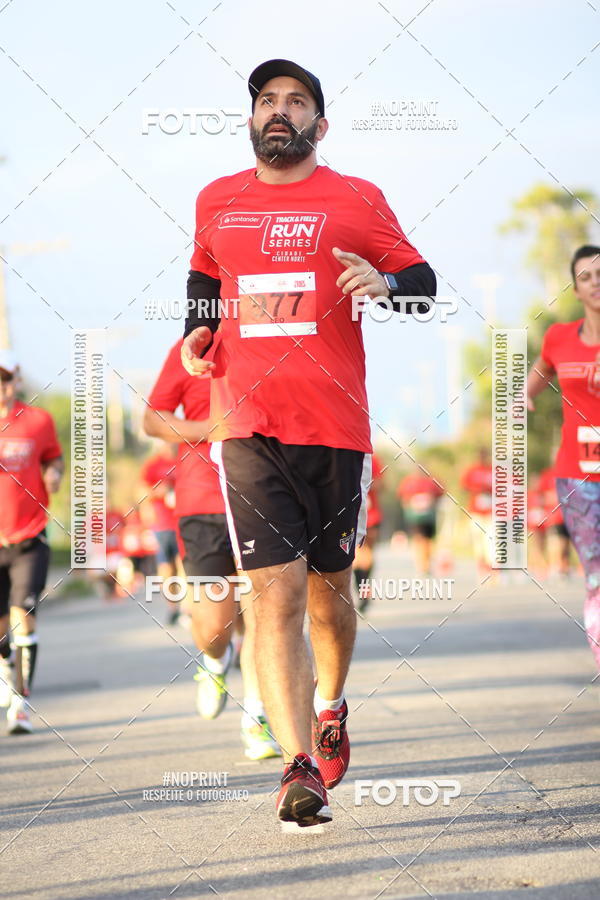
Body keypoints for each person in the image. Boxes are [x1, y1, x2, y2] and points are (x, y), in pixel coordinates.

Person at [180, 59, 435, 825]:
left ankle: (332, 705)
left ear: (320, 124)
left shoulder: (357, 199)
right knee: (275, 595)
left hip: (335, 430)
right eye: (267, 101)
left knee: (329, 598)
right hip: (248, 428)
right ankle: (297, 768)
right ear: (252, 120)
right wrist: (197, 329)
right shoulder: (216, 201)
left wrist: (386, 287)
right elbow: (202, 273)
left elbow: (422, 283)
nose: (280, 111)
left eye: (296, 101)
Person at [144, 339, 279, 760]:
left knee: (266, 613)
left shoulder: (281, 342)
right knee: (215, 625)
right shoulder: (193, 349)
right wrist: (209, 430)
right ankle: (215, 663)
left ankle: (257, 719)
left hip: (267, 497)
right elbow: (151, 420)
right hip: (203, 503)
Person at [527, 245, 600, 670]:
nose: (596, 282)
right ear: (576, 289)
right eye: (586, 277)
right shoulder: (559, 337)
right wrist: (524, 395)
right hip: (578, 476)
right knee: (595, 573)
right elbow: (543, 369)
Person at [0, 351, 64, 734]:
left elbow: (53, 459)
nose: (0, 387)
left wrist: (54, 474)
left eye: (5, 379)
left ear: (17, 381)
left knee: (24, 616)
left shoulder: (38, 421)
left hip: (30, 535)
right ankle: (8, 666)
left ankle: (20, 704)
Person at [141, 444, 180, 624]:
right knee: (167, 566)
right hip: (162, 523)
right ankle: (173, 606)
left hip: (184, 520)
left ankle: (188, 606)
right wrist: (158, 491)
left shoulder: (183, 458)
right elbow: (141, 493)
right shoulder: (153, 465)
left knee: (184, 564)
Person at [352, 452, 384, 614]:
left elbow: (380, 484)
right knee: (358, 555)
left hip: (371, 514)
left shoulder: (372, 458)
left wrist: (364, 484)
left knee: (365, 554)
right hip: (352, 512)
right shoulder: (340, 453)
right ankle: (363, 592)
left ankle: (364, 592)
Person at [397, 467, 444, 576]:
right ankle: (421, 564)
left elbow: (440, 494)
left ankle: (426, 563)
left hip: (429, 517)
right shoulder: (408, 482)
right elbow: (402, 496)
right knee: (418, 539)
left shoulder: (432, 481)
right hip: (415, 517)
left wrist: (431, 502)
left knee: (427, 541)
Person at [461, 449, 494, 578]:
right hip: (475, 511)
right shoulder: (471, 470)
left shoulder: (492, 470)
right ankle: (481, 564)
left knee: (491, 538)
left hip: (491, 511)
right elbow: (464, 486)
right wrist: (477, 489)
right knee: (478, 539)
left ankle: (491, 565)